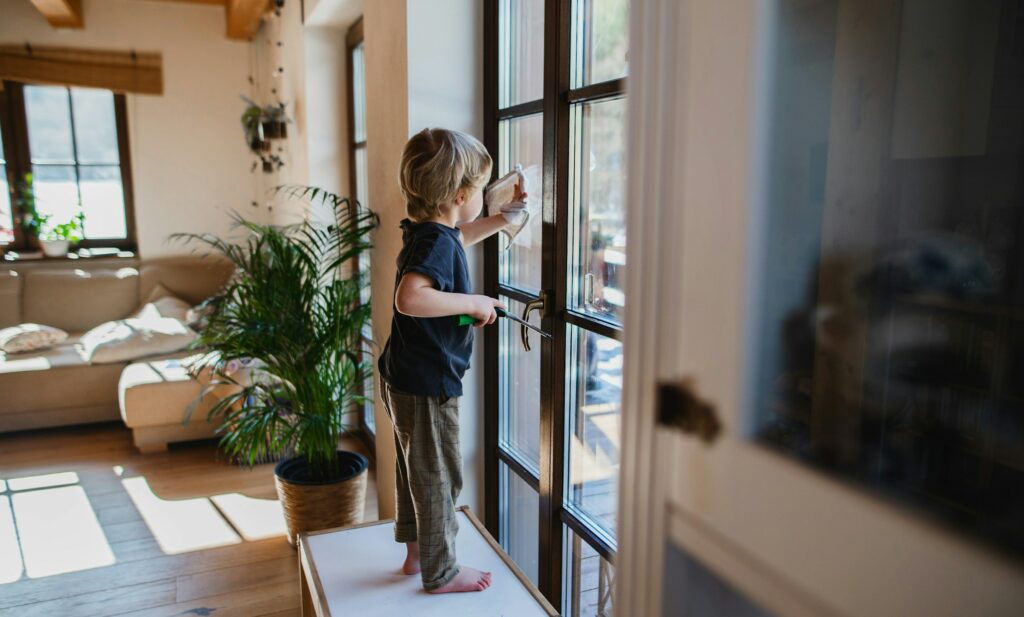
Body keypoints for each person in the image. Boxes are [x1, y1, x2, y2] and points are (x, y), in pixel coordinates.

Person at [378, 128, 527, 594]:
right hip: (427, 383)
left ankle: (416, 551)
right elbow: (411, 297)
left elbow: (459, 236)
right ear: (462, 194)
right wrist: (473, 301)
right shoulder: (436, 244)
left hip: (402, 374)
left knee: (414, 468)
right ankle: (440, 572)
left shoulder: (430, 232)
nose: (483, 195)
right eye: (481, 189)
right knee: (438, 473)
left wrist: (501, 220)